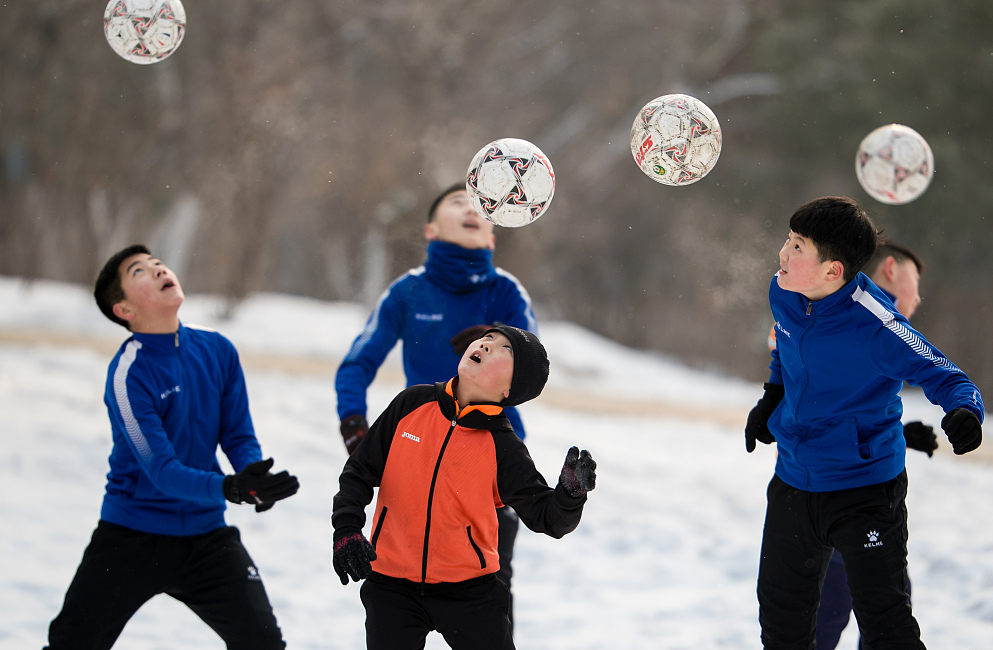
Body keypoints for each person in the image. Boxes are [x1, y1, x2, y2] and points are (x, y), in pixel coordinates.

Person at [744, 197, 984, 649]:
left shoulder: (878, 325)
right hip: (794, 481)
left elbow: (946, 375)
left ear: (833, 271)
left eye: (798, 247)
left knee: (885, 626)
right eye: (789, 239)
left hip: (863, 491)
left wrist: (965, 411)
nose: (783, 253)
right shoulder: (783, 291)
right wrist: (771, 397)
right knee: (781, 626)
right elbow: (788, 354)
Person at [45, 245, 300, 650]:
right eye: (139, 271)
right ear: (124, 310)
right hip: (131, 536)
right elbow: (161, 471)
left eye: (157, 263)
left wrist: (251, 476)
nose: (158, 268)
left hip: (207, 537)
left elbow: (237, 435)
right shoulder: (129, 374)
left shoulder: (218, 350)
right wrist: (228, 488)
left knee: (264, 645)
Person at [334, 183, 538, 620]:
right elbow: (356, 364)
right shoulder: (408, 292)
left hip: (489, 463)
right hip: (416, 458)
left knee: (490, 601)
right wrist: (356, 428)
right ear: (429, 229)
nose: (472, 208)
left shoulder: (506, 292)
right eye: (458, 202)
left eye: (483, 206)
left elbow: (530, 371)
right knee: (399, 596)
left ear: (493, 237)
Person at [331, 325, 596, 649]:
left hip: (469, 592)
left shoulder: (503, 447)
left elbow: (547, 517)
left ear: (510, 389)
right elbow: (359, 471)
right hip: (391, 585)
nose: (486, 345)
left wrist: (569, 495)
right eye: (488, 338)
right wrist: (346, 527)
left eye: (505, 349)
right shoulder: (410, 405)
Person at [814, 240, 935, 649]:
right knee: (835, 618)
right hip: (838, 496)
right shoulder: (852, 321)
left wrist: (902, 432)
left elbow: (856, 407)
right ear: (889, 268)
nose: (917, 296)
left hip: (859, 496)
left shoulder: (879, 333)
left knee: (878, 613)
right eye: (914, 281)